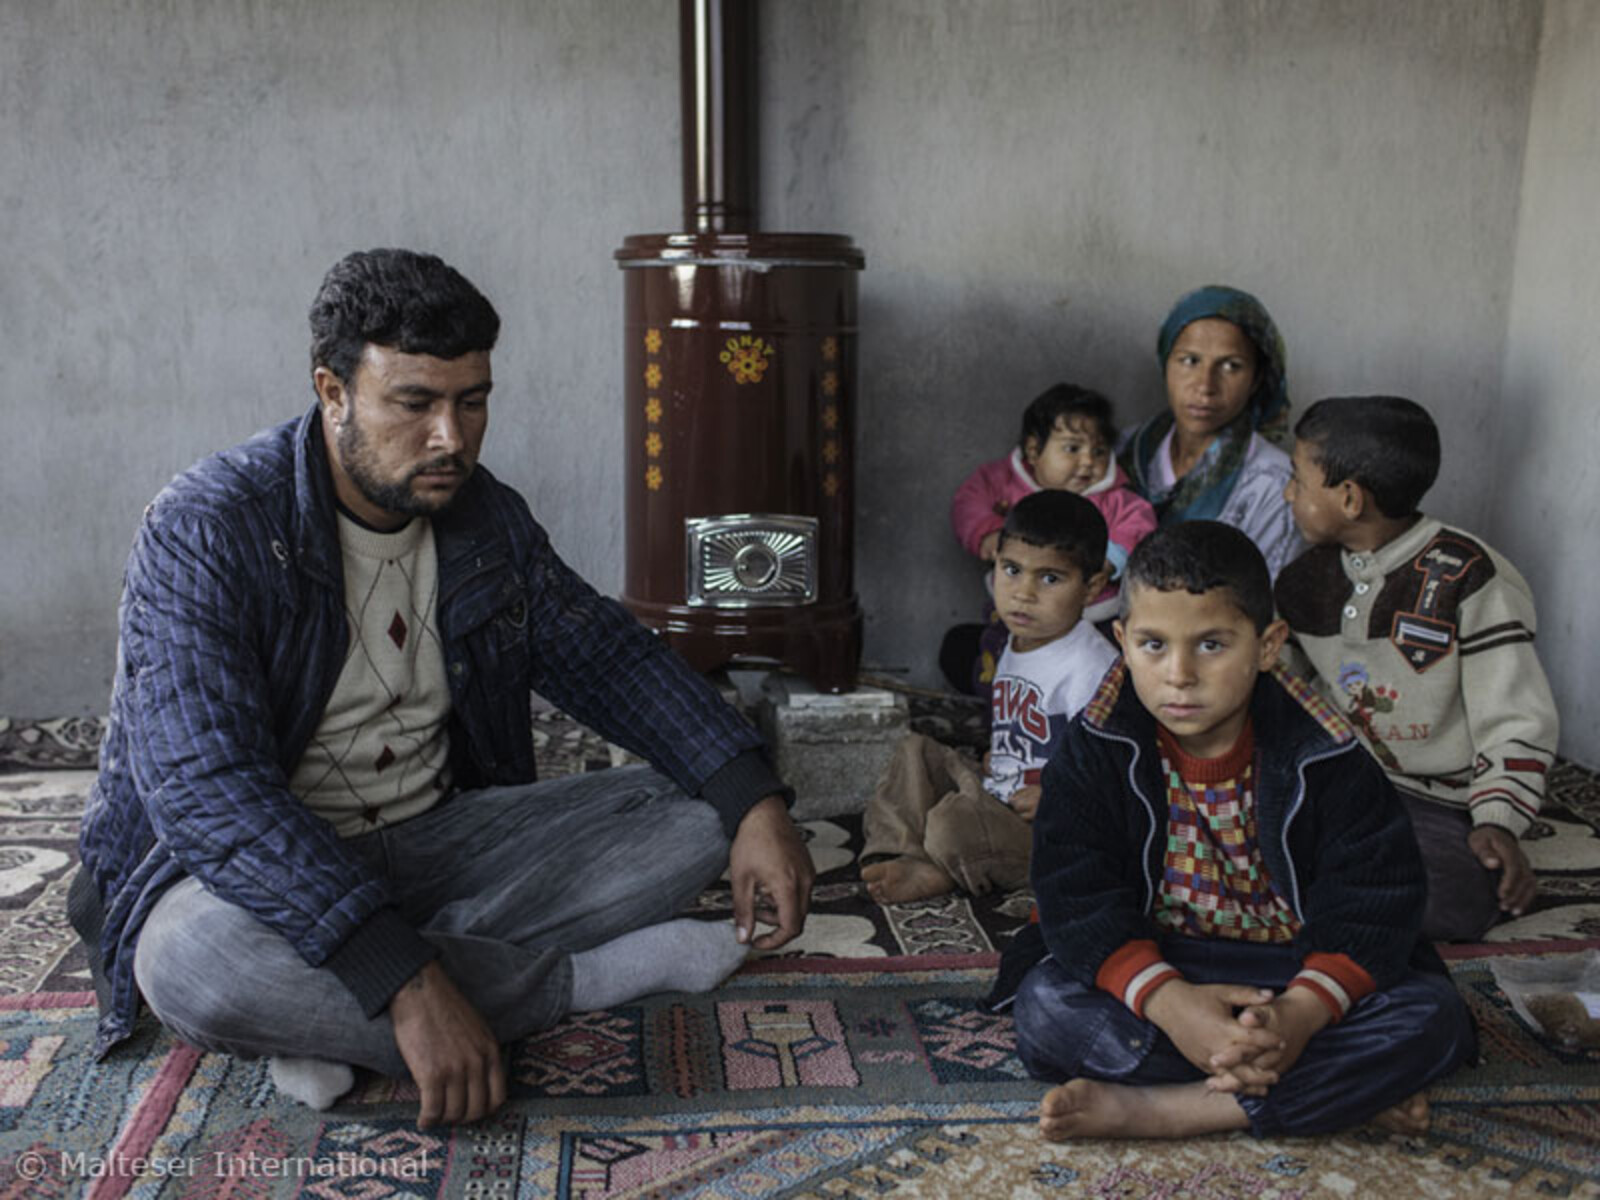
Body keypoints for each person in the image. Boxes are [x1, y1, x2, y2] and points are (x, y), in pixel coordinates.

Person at [67, 248, 815, 1129]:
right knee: (190, 962)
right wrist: (405, 980)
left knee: (704, 807)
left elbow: (610, 659)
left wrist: (756, 800)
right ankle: (574, 981)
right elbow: (207, 793)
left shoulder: (485, 517)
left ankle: (333, 1013)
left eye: (472, 401)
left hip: (432, 839)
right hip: (239, 881)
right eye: (414, 403)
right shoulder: (209, 525)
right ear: (333, 391)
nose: (451, 438)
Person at [1009, 521, 1475, 1141]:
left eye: (1211, 645)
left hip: (1297, 969)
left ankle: (1173, 1109)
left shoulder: (1327, 756)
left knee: (1430, 1017)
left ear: (1268, 644)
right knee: (1045, 1007)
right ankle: (1342, 1091)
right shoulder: (1096, 750)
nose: (1178, 674)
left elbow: (1373, 901)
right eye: (1152, 645)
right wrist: (1173, 1008)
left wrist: (1300, 1015)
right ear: (1120, 641)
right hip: (1164, 959)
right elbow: (1076, 892)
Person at [1276, 395, 1559, 941]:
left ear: (1351, 498)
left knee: (1454, 901)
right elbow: (1281, 691)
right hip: (1339, 780)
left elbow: (1516, 715)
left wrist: (1498, 820)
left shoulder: (1471, 579)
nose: (1288, 493)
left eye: (1298, 480)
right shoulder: (1301, 583)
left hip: (1440, 801)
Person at [862, 491, 1118, 904]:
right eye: (1012, 569)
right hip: (999, 794)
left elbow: (1114, 762)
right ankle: (904, 853)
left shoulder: (1090, 666)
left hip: (1050, 831)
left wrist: (1060, 794)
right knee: (916, 753)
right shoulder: (1013, 644)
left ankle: (940, 869)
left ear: (1092, 587)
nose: (1024, 592)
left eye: (1050, 578)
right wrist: (997, 759)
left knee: (950, 823)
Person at [943, 383, 1155, 695]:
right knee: (981, 651)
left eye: (1098, 451)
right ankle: (1004, 702)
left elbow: (1138, 523)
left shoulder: (1113, 499)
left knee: (1107, 671)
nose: (1087, 462)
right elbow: (969, 500)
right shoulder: (1006, 482)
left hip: (1092, 615)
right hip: (1016, 614)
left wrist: (1110, 557)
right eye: (1072, 449)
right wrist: (987, 532)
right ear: (1033, 450)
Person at [1119, 285, 1303, 578]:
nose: (1205, 386)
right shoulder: (1122, 451)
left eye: (1231, 366)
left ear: (1256, 379)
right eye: (1190, 361)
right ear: (1165, 363)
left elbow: (1264, 601)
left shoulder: (1273, 485)